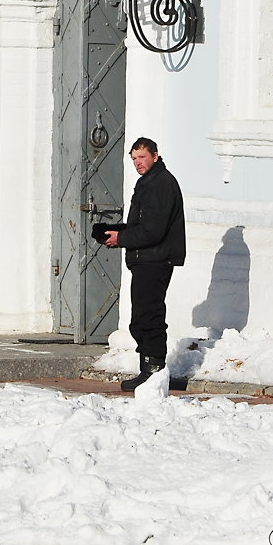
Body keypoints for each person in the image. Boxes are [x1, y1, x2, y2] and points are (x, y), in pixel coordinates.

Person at [95, 137, 185, 391]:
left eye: (142, 157)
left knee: (150, 316)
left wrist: (121, 238)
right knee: (141, 318)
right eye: (133, 159)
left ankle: (153, 371)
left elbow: (153, 230)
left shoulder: (161, 184)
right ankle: (148, 368)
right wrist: (114, 232)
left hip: (156, 259)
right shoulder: (148, 183)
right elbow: (142, 226)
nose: (137, 163)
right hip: (146, 258)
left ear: (155, 156)